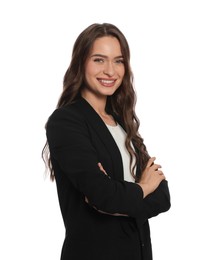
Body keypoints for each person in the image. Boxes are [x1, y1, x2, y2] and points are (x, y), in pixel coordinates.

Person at [42, 23, 171, 260]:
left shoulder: (123, 122)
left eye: (118, 61)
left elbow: (162, 196)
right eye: (99, 60)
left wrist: (116, 198)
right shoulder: (66, 121)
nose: (110, 71)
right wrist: (142, 188)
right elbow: (102, 194)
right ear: (81, 63)